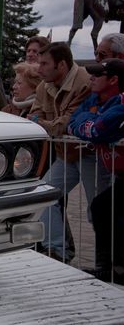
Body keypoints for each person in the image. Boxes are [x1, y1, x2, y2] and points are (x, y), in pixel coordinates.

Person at [28, 42, 109, 263]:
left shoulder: (84, 82)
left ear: (61, 65)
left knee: (98, 209)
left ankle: (107, 261)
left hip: (89, 153)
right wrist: (48, 123)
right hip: (66, 154)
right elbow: (33, 117)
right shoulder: (45, 86)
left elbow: (66, 123)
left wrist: (45, 123)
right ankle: (56, 250)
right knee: (42, 195)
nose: (39, 68)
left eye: (45, 63)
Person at [67, 58, 124, 283]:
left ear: (113, 80)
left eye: (98, 75)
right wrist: (89, 123)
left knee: (106, 209)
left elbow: (98, 130)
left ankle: (116, 268)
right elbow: (72, 123)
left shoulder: (121, 100)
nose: (91, 78)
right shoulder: (93, 98)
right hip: (119, 173)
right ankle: (107, 266)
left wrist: (90, 123)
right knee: (102, 207)